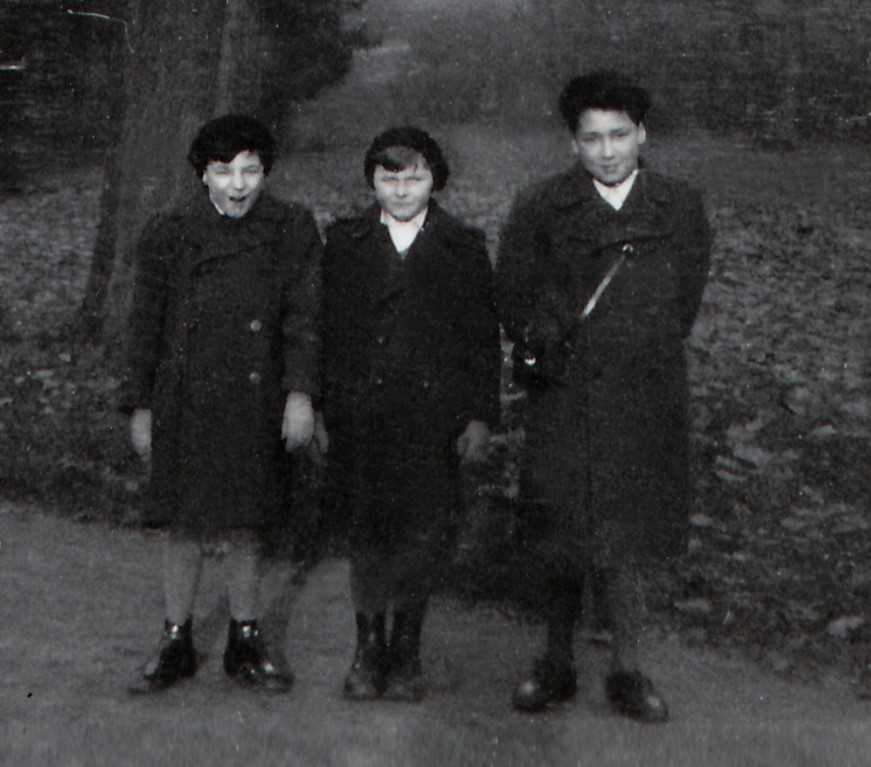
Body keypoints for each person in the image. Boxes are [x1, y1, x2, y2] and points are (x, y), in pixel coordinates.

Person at [496, 71, 712, 721]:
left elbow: (682, 302)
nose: (608, 150)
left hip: (643, 395)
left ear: (642, 134)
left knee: (630, 537)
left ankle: (628, 668)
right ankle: (554, 661)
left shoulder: (678, 206)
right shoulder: (540, 206)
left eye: (619, 134)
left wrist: (634, 349)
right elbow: (513, 296)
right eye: (592, 138)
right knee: (561, 530)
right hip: (565, 394)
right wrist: (550, 341)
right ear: (573, 143)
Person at [121, 114, 322, 694]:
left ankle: (245, 638)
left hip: (257, 397)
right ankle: (176, 638)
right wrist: (140, 405)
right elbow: (144, 325)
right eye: (223, 171)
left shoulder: (291, 227)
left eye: (250, 171)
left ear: (266, 172)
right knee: (182, 520)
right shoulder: (169, 231)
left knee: (247, 519)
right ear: (201, 174)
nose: (238, 185)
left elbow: (305, 318)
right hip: (185, 396)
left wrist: (300, 394)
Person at [320, 126, 501, 702]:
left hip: (431, 421)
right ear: (372, 180)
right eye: (389, 177)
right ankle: (368, 646)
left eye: (415, 178)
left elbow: (481, 341)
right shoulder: (344, 243)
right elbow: (327, 334)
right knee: (368, 534)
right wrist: (323, 408)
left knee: (420, 535)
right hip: (362, 416)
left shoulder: (462, 247)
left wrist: (478, 416)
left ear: (435, 181)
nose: (401, 190)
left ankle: (406, 649)